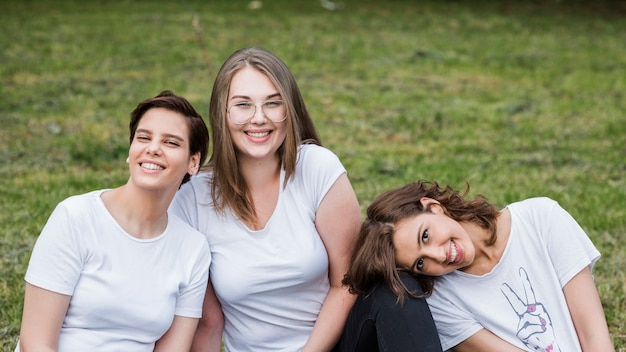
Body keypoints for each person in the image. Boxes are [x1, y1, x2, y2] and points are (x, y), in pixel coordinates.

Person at [169, 47, 362, 352]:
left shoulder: (317, 168)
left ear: (290, 109)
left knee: (398, 299)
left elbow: (348, 282)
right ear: (223, 112)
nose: (259, 118)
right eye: (243, 105)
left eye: (273, 103)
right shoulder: (192, 199)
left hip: (336, 345)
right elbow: (205, 320)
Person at [16, 91, 212, 351]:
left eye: (171, 143)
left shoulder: (192, 249)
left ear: (193, 162)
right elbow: (36, 343)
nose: (153, 148)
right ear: (131, 151)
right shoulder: (75, 217)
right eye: (144, 137)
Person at [342, 181, 615, 351]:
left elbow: (594, 336)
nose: (438, 255)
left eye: (425, 235)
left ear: (433, 206)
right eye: (421, 263)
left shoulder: (541, 219)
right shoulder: (440, 300)